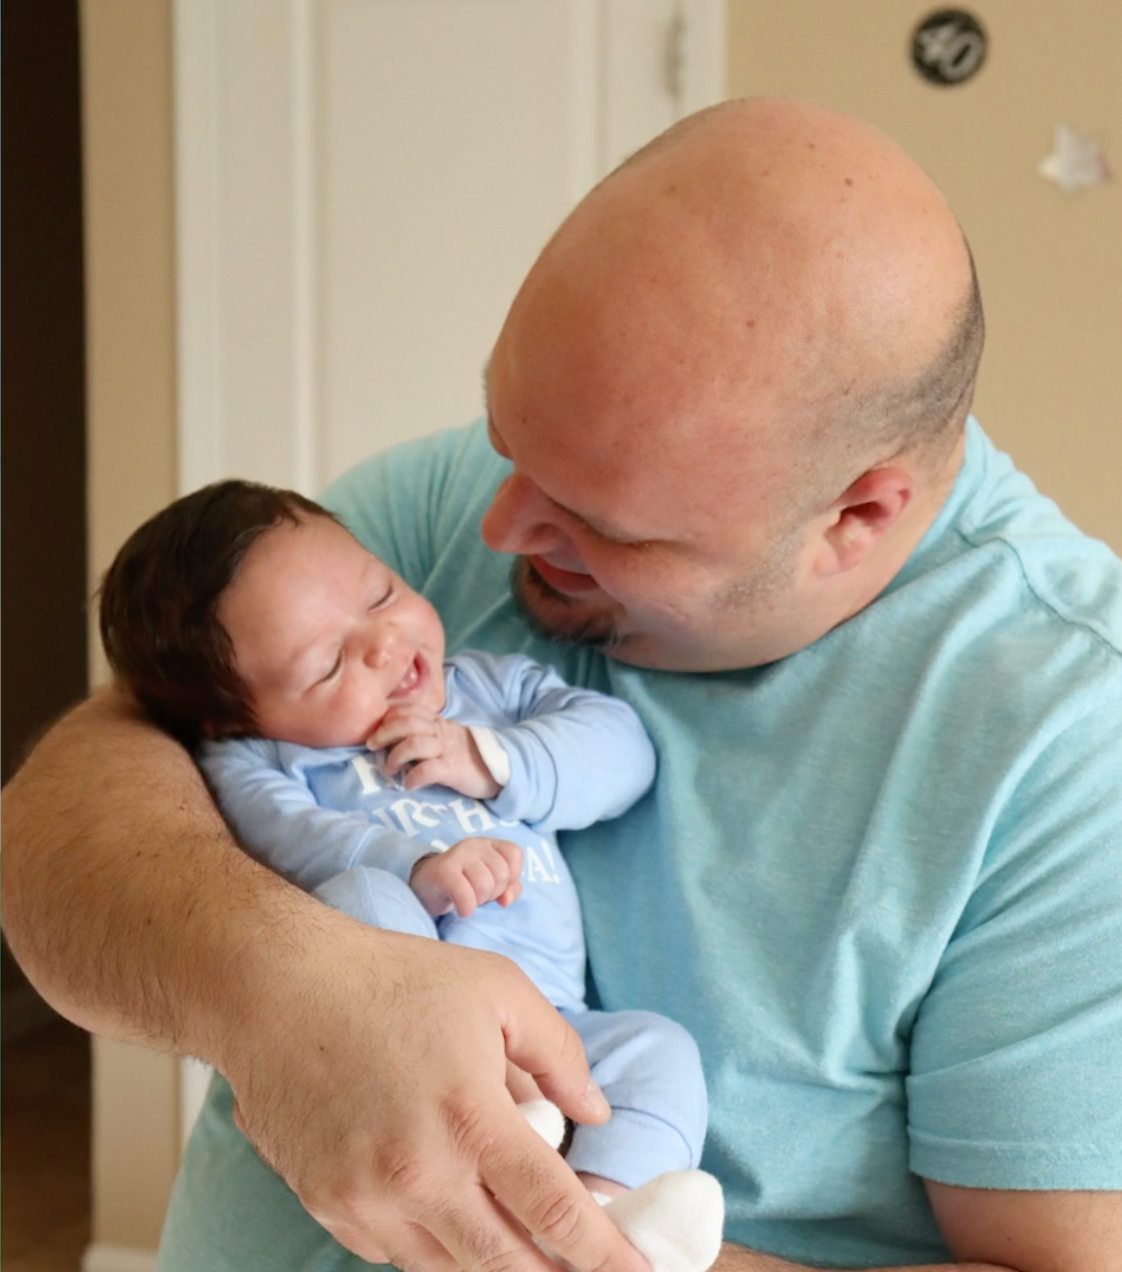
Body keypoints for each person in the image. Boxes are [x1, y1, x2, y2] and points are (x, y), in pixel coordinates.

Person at [3, 97, 1122, 1272]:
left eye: (600, 525)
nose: (497, 526)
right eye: (505, 441)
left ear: (855, 517)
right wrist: (285, 989)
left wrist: (553, 1237)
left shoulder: (1067, 739)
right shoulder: (437, 525)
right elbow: (72, 816)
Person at [95, 478, 723, 1271]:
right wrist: (416, 868)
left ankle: (599, 1216)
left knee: (658, 1051)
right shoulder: (258, 759)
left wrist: (494, 759)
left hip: (550, 1022)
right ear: (233, 716)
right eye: (329, 663)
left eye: (381, 594)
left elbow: (624, 753)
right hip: (400, 1032)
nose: (385, 643)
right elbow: (283, 840)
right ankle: (490, 1110)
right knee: (357, 899)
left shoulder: (490, 691)